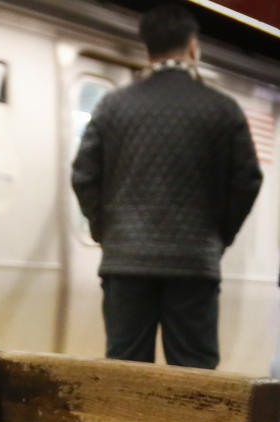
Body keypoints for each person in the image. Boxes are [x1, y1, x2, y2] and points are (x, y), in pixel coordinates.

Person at [71, 2, 262, 369]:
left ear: (147, 49)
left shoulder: (112, 106)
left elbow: (84, 175)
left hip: (125, 263)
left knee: (126, 369)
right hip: (194, 264)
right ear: (193, 48)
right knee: (194, 376)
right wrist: (218, 236)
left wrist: (106, 233)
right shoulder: (222, 108)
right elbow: (247, 180)